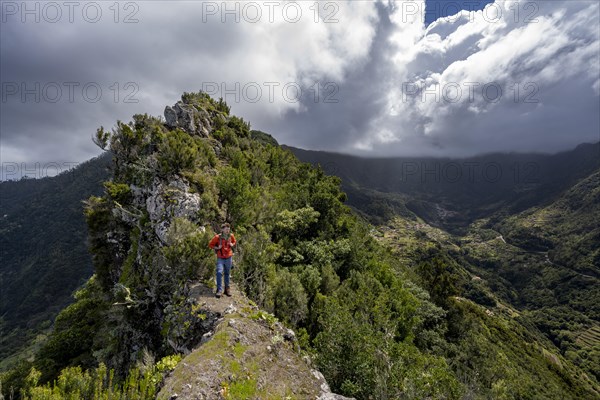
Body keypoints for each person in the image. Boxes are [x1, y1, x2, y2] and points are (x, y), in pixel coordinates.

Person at [208, 222, 236, 298]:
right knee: (219, 272)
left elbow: (234, 241)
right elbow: (210, 245)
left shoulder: (231, 236)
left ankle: (227, 289)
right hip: (220, 257)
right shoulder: (217, 237)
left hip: (229, 257)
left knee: (227, 273)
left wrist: (232, 244)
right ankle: (219, 290)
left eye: (228, 229)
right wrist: (218, 248)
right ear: (222, 230)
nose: (228, 231)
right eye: (226, 229)